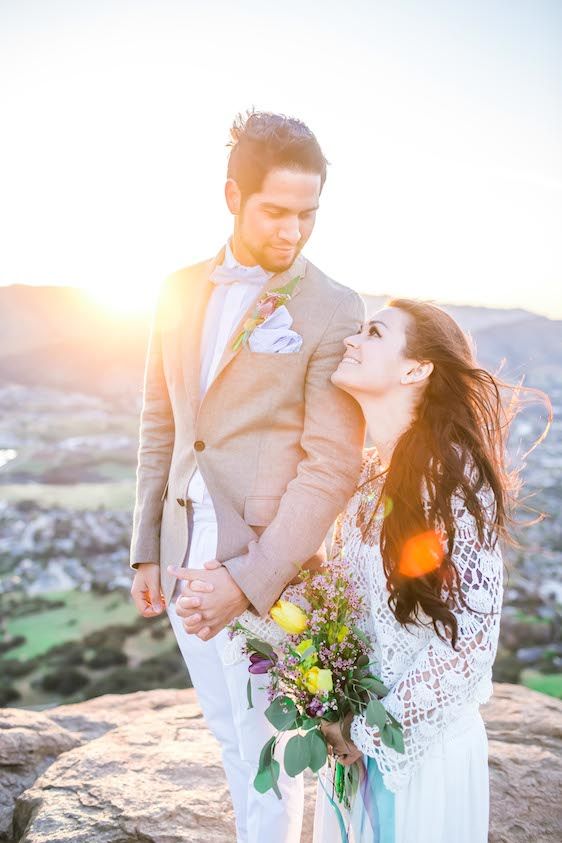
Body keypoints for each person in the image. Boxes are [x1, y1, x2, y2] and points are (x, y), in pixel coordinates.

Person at [128, 110, 365, 843]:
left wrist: (249, 580)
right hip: (181, 553)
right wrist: (147, 546)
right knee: (232, 738)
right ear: (232, 196)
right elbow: (161, 422)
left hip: (268, 567)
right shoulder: (173, 289)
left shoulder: (332, 307)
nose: (292, 232)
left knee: (272, 751)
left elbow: (331, 468)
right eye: (276, 212)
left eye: (309, 214)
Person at [315, 300, 514, 843]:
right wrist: (328, 702)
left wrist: (369, 731)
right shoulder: (363, 482)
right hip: (355, 743)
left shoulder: (451, 482)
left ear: (416, 369)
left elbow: (469, 644)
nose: (352, 341)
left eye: (373, 332)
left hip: (421, 754)